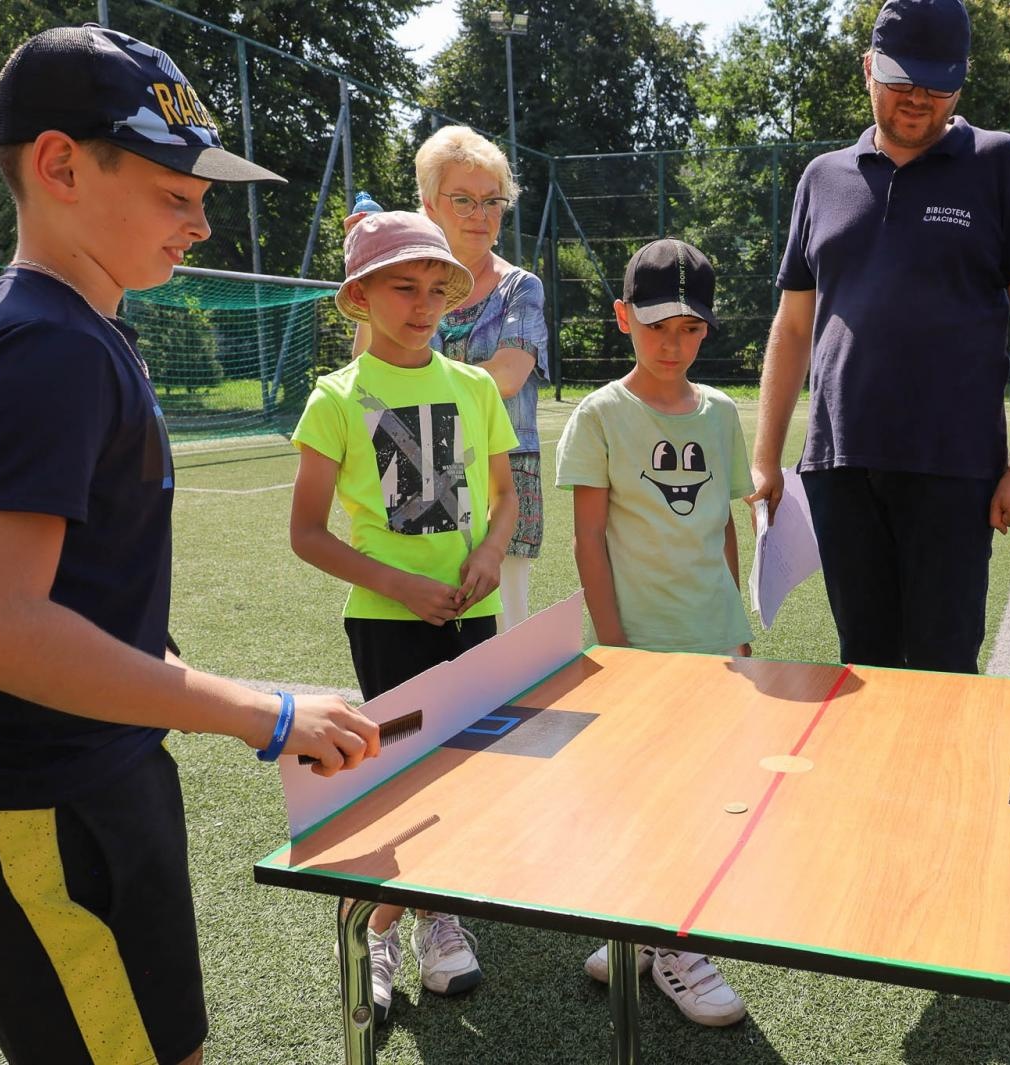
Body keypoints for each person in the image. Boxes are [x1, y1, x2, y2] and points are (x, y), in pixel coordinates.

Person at [0, 26, 379, 1065]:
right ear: (60, 166)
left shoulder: (78, 331)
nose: (203, 224)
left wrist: (233, 700)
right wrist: (259, 714)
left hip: (94, 765)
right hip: (27, 798)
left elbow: (79, 600)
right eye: (178, 194)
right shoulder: (44, 344)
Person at [749, 0, 1010, 674]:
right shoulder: (821, 178)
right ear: (867, 68)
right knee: (862, 661)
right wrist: (766, 457)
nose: (919, 99)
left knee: (943, 666)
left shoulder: (1000, 163)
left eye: (938, 83)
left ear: (962, 79)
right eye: (901, 80)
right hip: (839, 467)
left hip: (953, 469)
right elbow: (794, 325)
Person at [289, 211, 518, 1022]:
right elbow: (307, 534)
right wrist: (402, 586)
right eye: (402, 286)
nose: (422, 304)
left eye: (435, 288)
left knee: (464, 770)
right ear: (360, 296)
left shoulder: (476, 385)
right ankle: (375, 927)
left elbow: (505, 498)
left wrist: (490, 556)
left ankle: (435, 910)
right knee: (397, 772)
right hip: (387, 623)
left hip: (472, 612)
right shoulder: (334, 399)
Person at [555, 238, 751, 1027]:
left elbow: (723, 525)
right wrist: (615, 645)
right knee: (645, 798)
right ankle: (671, 942)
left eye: (691, 329)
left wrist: (736, 623)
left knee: (704, 797)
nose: (674, 344)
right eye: (658, 325)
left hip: (715, 643)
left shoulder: (724, 413)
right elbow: (588, 540)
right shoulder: (601, 415)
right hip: (637, 646)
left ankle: (639, 939)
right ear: (623, 318)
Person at [349, 126, 549, 632]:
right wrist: (371, 276)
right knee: (416, 647)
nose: (480, 215)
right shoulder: (396, 286)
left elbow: (506, 376)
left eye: (491, 201)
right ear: (428, 204)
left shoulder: (519, 289)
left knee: (501, 649)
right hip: (410, 467)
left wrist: (416, 381)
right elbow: (369, 375)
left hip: (499, 489)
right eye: (463, 200)